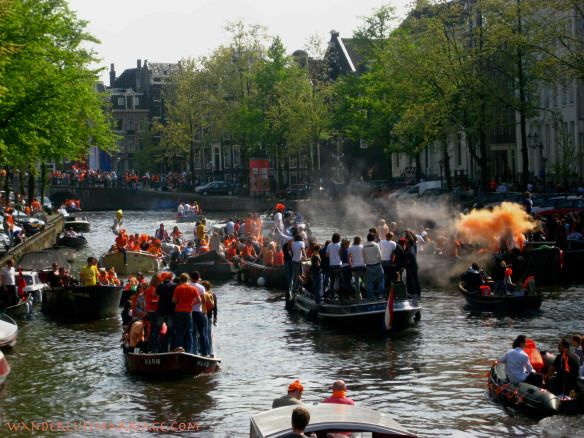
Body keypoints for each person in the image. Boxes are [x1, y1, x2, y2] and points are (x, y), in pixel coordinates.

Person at [172, 273, 200, 353]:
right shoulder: (193, 288)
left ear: (181, 279)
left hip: (179, 311)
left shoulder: (178, 288)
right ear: (188, 279)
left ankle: (179, 349)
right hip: (188, 311)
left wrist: (178, 302)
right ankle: (189, 351)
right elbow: (199, 300)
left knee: (179, 331)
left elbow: (174, 300)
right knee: (189, 331)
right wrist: (191, 304)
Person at [362, 233, 384, 300]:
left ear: (367, 238)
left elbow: (363, 257)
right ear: (373, 238)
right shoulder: (376, 245)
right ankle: (380, 295)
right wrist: (379, 262)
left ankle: (371, 296)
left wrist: (366, 263)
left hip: (368, 265)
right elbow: (380, 255)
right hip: (377, 264)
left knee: (370, 282)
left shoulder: (364, 246)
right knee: (381, 280)